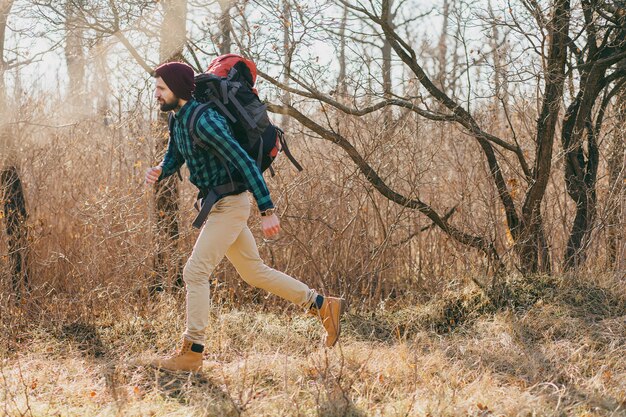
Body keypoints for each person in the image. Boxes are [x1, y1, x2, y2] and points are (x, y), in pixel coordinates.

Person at [145, 61, 344, 372]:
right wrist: (162, 168)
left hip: (231, 205)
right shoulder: (177, 119)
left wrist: (267, 209)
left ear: (179, 90)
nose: (156, 94)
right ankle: (322, 306)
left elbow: (244, 161)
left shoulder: (205, 121)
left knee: (194, 273)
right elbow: (176, 153)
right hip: (216, 205)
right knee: (253, 271)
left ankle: (192, 351)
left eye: (161, 88)